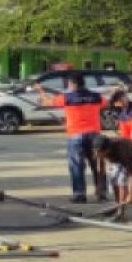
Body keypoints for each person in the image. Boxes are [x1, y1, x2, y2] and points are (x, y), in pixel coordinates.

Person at [37, 72, 107, 203]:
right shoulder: (96, 97)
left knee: (76, 165)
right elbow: (106, 103)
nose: (68, 86)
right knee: (97, 164)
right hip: (94, 134)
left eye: (69, 84)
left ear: (73, 84)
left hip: (75, 135)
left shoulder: (67, 98)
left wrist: (40, 90)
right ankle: (102, 193)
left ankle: (79, 194)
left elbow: (47, 102)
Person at [94, 135, 132, 221]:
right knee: (113, 180)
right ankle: (117, 206)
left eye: (99, 153)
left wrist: (131, 192)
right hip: (117, 159)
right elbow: (100, 168)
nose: (96, 154)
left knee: (121, 182)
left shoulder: (124, 152)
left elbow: (131, 173)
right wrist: (99, 186)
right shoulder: (98, 149)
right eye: (96, 152)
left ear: (107, 150)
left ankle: (121, 213)